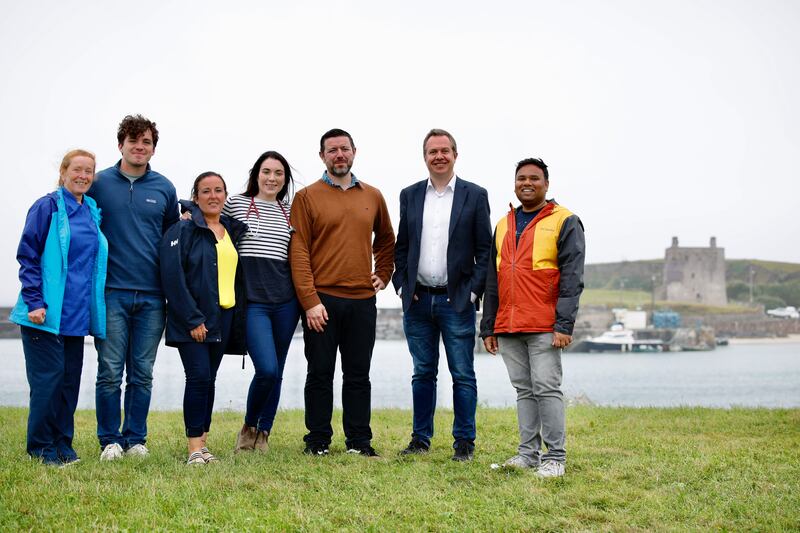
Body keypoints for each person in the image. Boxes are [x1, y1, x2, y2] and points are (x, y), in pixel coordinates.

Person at [290, 128, 395, 457]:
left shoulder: (373, 195)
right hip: (322, 302)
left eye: (344, 149)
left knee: (358, 375)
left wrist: (384, 273)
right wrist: (310, 302)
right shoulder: (306, 197)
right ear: (322, 156)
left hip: (363, 301)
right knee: (319, 373)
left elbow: (388, 240)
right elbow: (299, 251)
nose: (339, 155)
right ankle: (318, 441)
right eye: (332, 150)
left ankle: (359, 442)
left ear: (354, 152)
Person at [480, 157, 585, 478]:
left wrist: (564, 325)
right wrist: (489, 326)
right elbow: (492, 278)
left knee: (547, 389)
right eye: (521, 178)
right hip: (509, 325)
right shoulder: (503, 224)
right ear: (514, 183)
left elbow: (572, 277)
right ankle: (528, 454)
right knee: (524, 391)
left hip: (544, 325)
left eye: (534, 178)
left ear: (546, 184)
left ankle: (555, 458)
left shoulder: (565, 221)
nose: (527, 183)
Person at [392, 129, 492, 461]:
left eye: (445, 151)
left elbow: (484, 251)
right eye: (432, 151)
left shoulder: (475, 195)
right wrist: (402, 285)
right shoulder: (409, 195)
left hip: (457, 301)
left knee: (462, 373)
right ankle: (420, 439)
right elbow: (402, 245)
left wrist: (473, 292)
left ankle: (464, 442)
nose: (439, 156)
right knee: (423, 372)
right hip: (418, 300)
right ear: (425, 157)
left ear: (455, 154)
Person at [89, 114, 179, 461]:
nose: (139, 147)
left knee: (142, 373)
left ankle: (136, 439)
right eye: (133, 141)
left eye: (146, 142)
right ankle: (109, 440)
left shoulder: (164, 188)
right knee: (110, 370)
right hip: (111, 292)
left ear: (153, 149)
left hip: (154, 297)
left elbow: (173, 238)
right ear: (120, 145)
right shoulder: (98, 184)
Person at [10, 149, 108, 466]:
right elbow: (28, 256)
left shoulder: (92, 211)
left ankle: (63, 444)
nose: (83, 175)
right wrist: (35, 301)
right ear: (64, 172)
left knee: (68, 383)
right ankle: (40, 447)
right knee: (48, 381)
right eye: (77, 169)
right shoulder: (47, 207)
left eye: (89, 171)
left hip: (77, 316)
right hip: (44, 314)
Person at [160, 172, 248, 465]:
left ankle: (204, 445)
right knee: (197, 378)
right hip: (194, 318)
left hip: (223, 316)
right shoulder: (183, 229)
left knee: (209, 380)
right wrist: (193, 319)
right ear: (195, 197)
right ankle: (193, 449)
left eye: (219, 190)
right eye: (206, 191)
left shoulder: (230, 230)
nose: (213, 196)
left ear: (225, 195)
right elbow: (173, 278)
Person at [222, 151, 300, 452]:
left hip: (285, 302)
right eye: (266, 172)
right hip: (252, 302)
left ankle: (264, 432)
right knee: (266, 368)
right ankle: (248, 427)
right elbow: (214, 227)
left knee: (277, 370)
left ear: (285, 179)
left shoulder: (291, 211)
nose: (272, 178)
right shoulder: (237, 204)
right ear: (257, 174)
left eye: (278, 173)